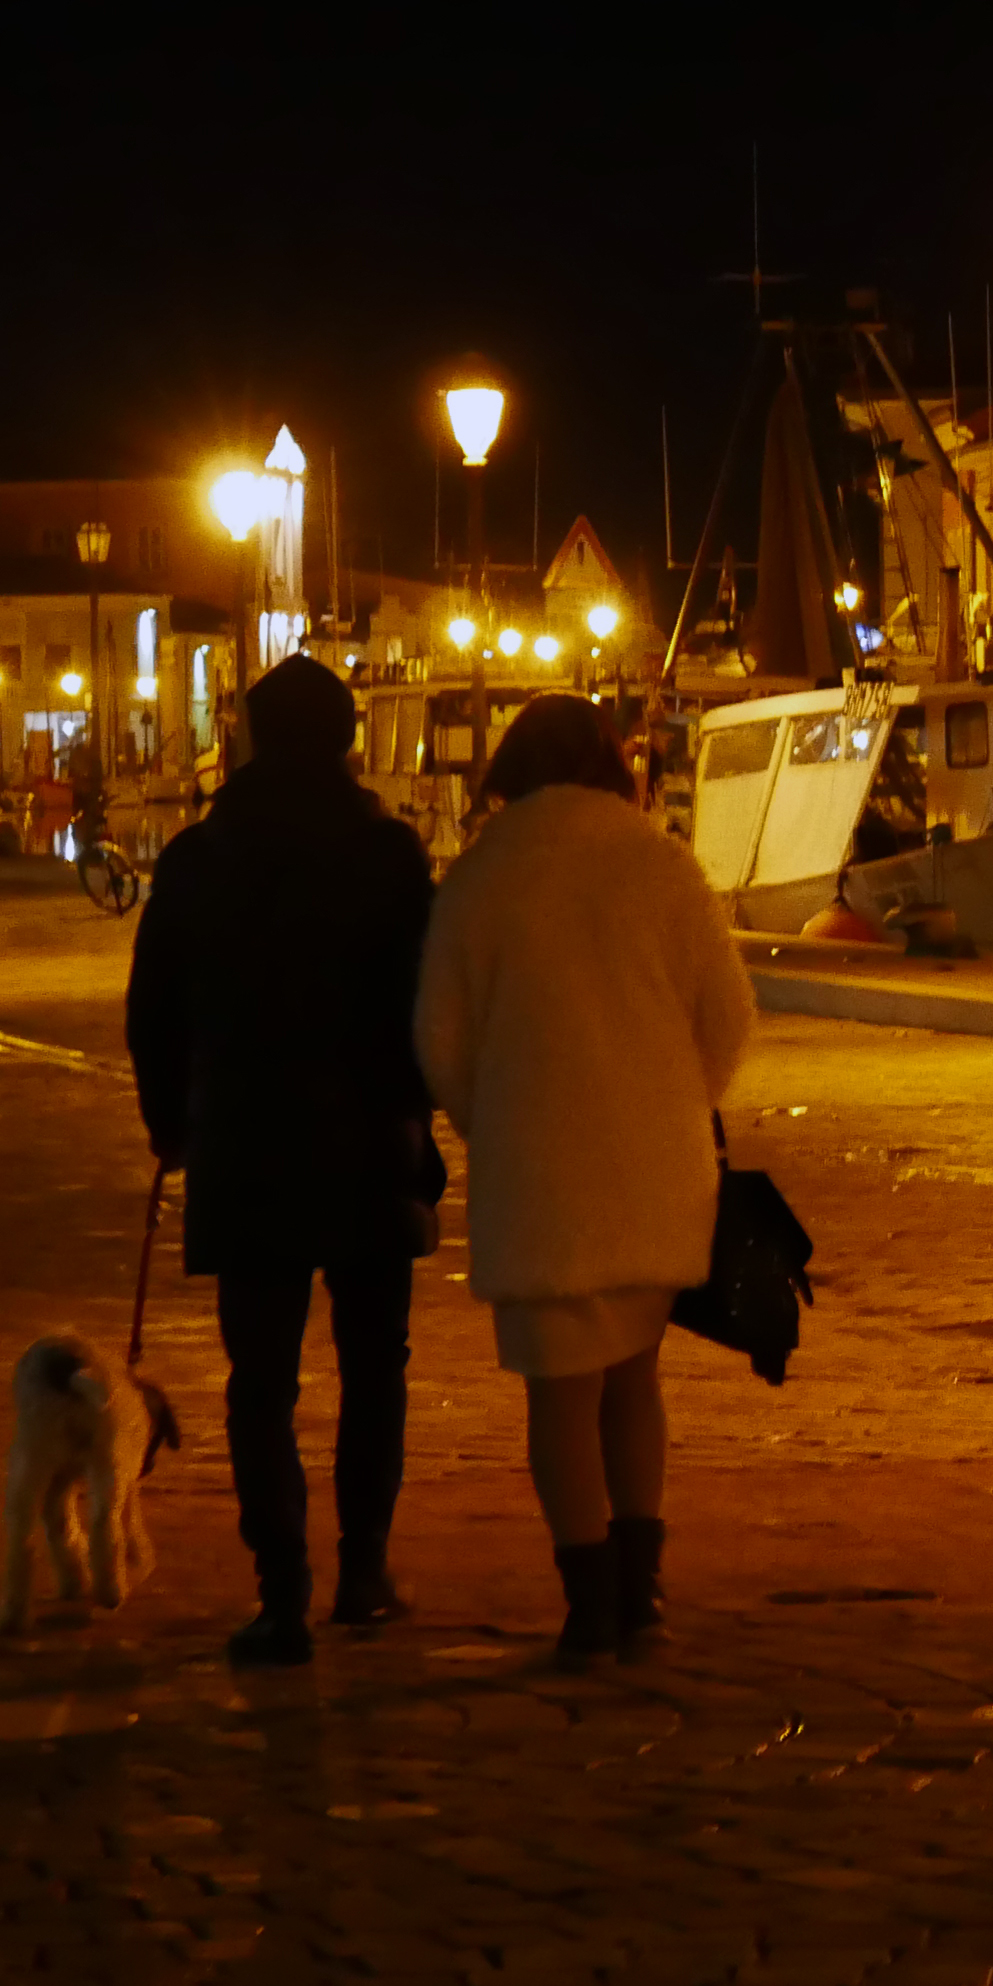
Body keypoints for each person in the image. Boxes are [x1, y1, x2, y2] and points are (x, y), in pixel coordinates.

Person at [415, 693, 753, 1662]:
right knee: (635, 1379)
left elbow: (440, 1042)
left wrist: (500, 1123)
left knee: (557, 1396)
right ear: (616, 764)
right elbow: (728, 1020)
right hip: (654, 1168)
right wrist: (674, 1107)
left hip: (539, 1175)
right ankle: (642, 1588)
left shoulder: (483, 879)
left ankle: (589, 1599)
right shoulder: (662, 865)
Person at [124, 654, 443, 1668]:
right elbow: (425, 1008)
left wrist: (170, 1126)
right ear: (350, 739)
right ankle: (365, 1570)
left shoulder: (197, 858)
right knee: (372, 1370)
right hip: (367, 1144)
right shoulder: (390, 855)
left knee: (260, 1379)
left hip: (245, 1144)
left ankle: (281, 1594)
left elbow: (153, 1014)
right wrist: (419, 1107)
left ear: (251, 738)